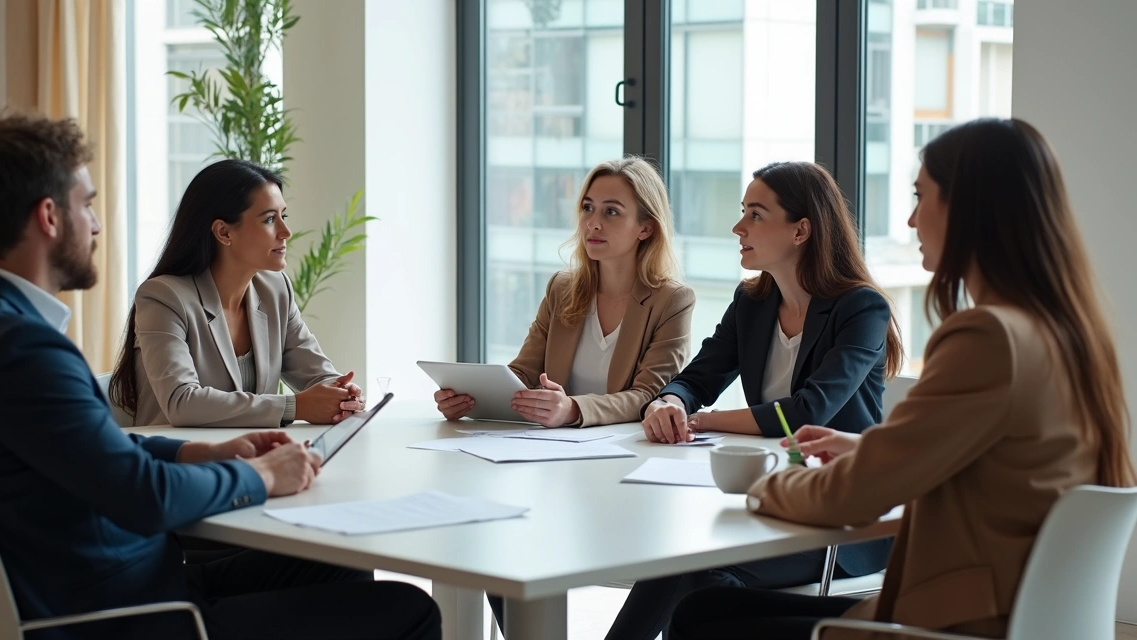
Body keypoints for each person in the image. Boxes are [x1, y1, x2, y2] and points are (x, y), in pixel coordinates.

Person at [0, 104, 440, 640]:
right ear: (49, 217)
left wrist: (203, 451)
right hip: (126, 617)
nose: (96, 225)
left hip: (134, 587)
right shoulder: (24, 351)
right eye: (88, 205)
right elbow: (146, 496)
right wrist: (263, 475)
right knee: (408, 608)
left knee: (337, 566)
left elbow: (95, 451)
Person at [668, 118, 1136, 640]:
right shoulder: (1066, 334)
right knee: (706, 607)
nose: (911, 220)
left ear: (967, 209)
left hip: (955, 624)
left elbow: (853, 496)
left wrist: (763, 483)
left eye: (920, 197)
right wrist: (869, 448)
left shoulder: (988, 338)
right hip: (1019, 613)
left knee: (700, 615)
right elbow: (996, 466)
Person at [613, 161, 904, 640]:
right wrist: (671, 402)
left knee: (700, 576)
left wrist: (703, 421)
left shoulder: (861, 308)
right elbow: (697, 377)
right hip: (769, 504)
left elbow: (809, 411)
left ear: (801, 231)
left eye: (755, 214)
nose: (738, 227)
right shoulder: (752, 303)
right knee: (679, 558)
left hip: (841, 524)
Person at [434, 156, 696, 428]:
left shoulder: (672, 301)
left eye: (611, 212)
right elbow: (524, 373)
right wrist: (471, 398)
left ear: (646, 228)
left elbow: (649, 395)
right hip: (555, 445)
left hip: (626, 445)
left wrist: (573, 409)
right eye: (587, 208)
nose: (592, 223)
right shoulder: (562, 288)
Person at [111, 159, 363, 428]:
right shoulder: (164, 298)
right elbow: (182, 402)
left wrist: (342, 394)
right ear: (223, 232)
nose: (285, 232)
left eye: (284, 216)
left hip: (252, 450)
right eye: (269, 219)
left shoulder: (276, 290)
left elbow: (318, 374)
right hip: (177, 452)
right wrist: (294, 406)